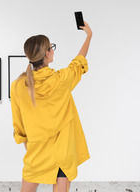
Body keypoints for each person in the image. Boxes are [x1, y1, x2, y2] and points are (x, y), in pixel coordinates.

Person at [10, 21, 92, 192]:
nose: (53, 50)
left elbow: (18, 125)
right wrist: (89, 35)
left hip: (36, 151)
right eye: (51, 47)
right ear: (47, 54)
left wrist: (30, 147)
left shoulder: (18, 85)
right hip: (63, 152)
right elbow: (79, 63)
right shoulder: (61, 80)